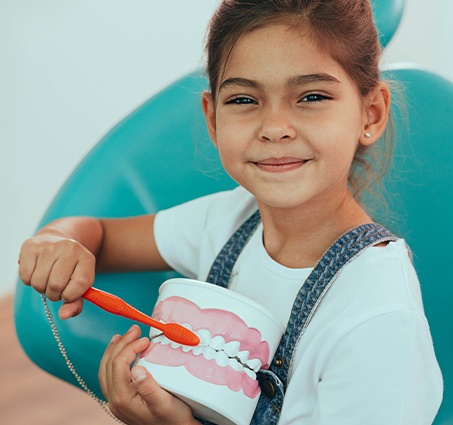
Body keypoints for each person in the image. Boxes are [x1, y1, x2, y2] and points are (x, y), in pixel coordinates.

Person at [18, 0, 443, 424]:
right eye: (244, 99)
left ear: (371, 114)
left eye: (311, 96)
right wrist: (59, 243)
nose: (274, 127)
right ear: (213, 118)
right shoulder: (227, 221)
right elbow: (97, 235)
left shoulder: (380, 316)